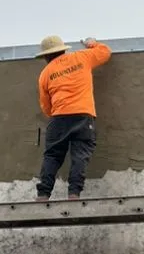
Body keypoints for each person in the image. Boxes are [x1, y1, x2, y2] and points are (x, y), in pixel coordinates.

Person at [35, 34, 112, 201]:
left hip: (59, 118)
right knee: (80, 155)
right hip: (83, 116)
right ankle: (74, 194)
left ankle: (43, 195)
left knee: (52, 156)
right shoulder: (81, 58)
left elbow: (45, 105)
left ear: (46, 56)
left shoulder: (45, 74)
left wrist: (57, 115)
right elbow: (105, 52)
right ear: (63, 49)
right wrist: (92, 43)